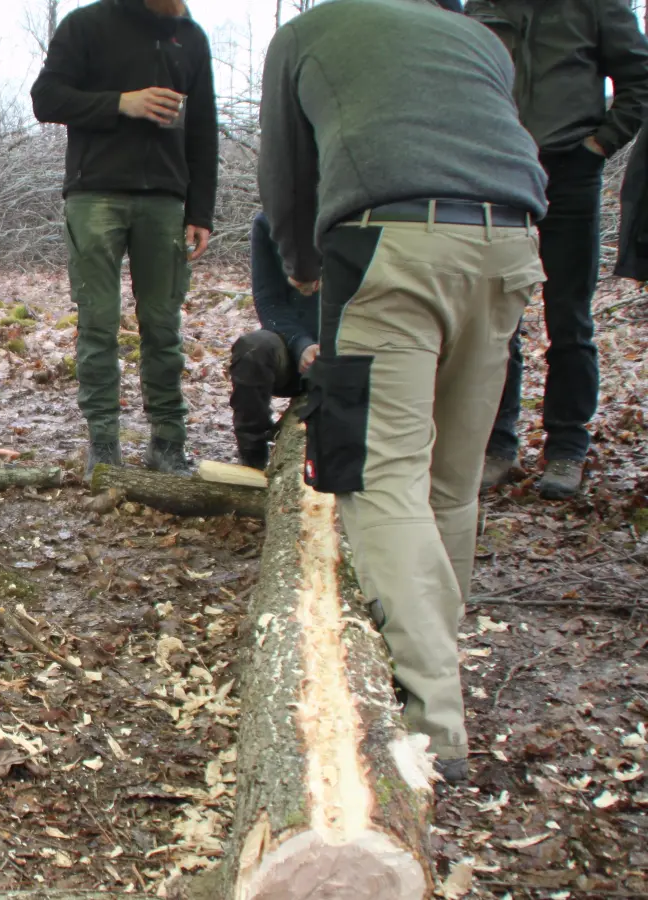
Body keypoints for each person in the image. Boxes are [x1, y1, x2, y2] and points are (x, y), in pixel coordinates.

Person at [260, 0, 548, 783]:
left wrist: (301, 264)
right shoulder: (475, 36)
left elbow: (287, 175)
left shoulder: (306, 33)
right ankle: (436, 661)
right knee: (451, 478)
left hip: (388, 241)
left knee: (379, 471)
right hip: (512, 239)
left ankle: (433, 719)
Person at [464, 0, 648, 498]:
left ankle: (567, 448)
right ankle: (496, 446)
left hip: (570, 170)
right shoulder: (480, 7)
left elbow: (640, 81)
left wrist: (600, 146)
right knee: (498, 316)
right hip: (495, 170)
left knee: (569, 317)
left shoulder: (596, 7)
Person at [30, 0, 219, 477]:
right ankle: (104, 444)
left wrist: (200, 210)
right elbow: (46, 98)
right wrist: (121, 102)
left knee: (163, 324)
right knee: (98, 321)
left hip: (166, 199)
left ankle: (168, 444)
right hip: (95, 194)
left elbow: (203, 129)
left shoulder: (190, 37)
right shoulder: (86, 25)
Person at [229, 213, 318, 470]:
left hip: (351, 349)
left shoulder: (359, 218)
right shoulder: (270, 222)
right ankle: (252, 456)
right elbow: (269, 302)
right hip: (293, 350)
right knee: (253, 348)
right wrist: (301, 344)